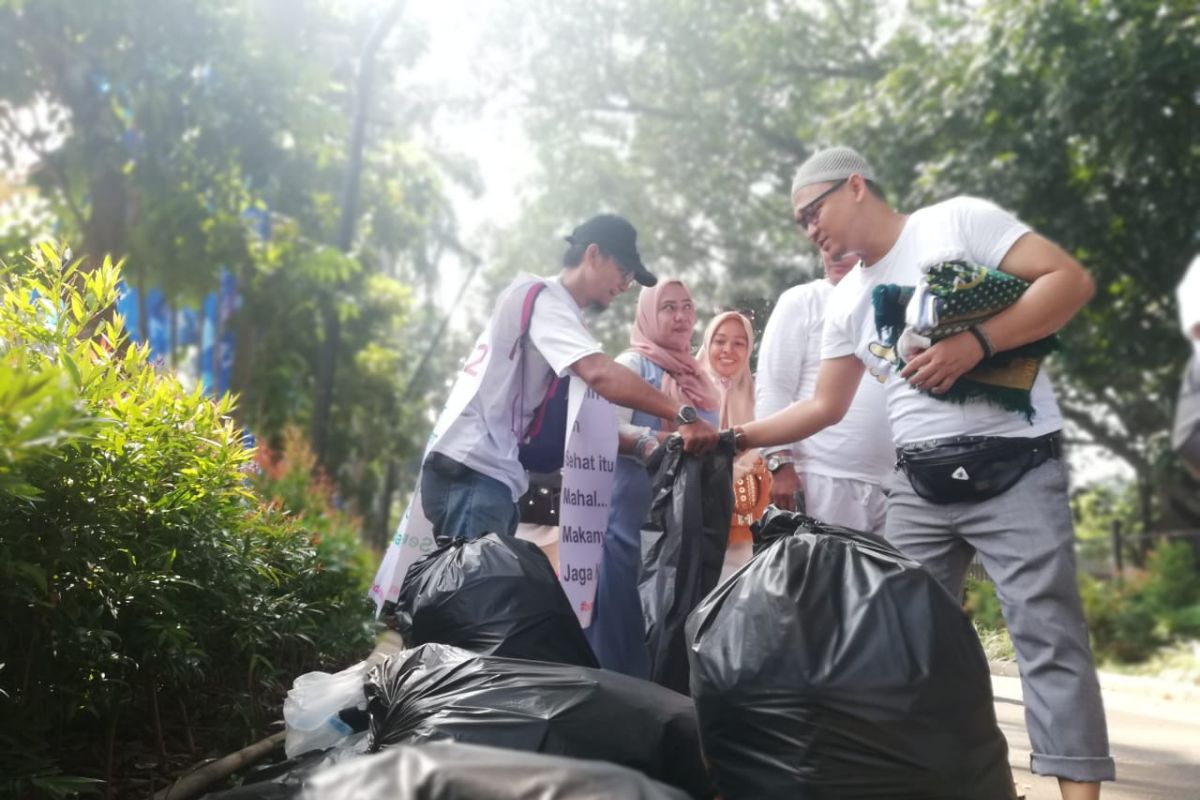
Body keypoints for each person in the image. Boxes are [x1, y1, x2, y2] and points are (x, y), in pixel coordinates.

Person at [734, 147, 1113, 799]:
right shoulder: (847, 301)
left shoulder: (956, 223)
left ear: (856, 186)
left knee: (1047, 638)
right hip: (917, 486)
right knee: (892, 646)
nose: (808, 228)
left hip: (1015, 464)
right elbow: (824, 405)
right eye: (799, 221)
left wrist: (978, 343)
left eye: (812, 211)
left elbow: (1068, 281)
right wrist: (731, 437)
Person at [420, 214, 719, 543]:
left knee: (480, 588)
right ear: (593, 255)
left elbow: (585, 415)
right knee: (472, 592)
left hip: (493, 473)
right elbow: (600, 373)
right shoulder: (546, 301)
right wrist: (682, 414)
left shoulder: (561, 315)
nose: (625, 285)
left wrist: (645, 442)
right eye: (623, 272)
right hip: (476, 471)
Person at [585, 279, 720, 678]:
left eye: (687, 307)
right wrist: (665, 442)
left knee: (670, 617)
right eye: (668, 307)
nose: (681, 317)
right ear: (647, 313)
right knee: (623, 616)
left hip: (682, 523)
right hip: (630, 517)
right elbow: (605, 429)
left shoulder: (701, 378)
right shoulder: (632, 365)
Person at [755, 250, 893, 533]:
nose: (835, 253)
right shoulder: (802, 301)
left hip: (893, 485)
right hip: (823, 481)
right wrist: (780, 464)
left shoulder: (891, 302)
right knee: (827, 577)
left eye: (847, 244)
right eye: (827, 245)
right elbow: (773, 388)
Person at [697, 311, 770, 578]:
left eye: (739, 343)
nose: (728, 350)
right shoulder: (686, 388)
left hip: (744, 518)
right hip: (695, 513)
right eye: (720, 341)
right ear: (708, 344)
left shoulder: (759, 396)